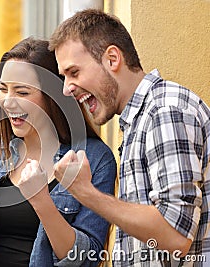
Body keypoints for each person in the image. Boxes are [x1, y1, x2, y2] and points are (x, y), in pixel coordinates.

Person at [0, 37, 117, 266]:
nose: (7, 102)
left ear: (53, 98)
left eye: (22, 92)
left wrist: (41, 202)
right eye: (3, 89)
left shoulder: (95, 159)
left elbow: (86, 258)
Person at [49, 9, 210, 266]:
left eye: (74, 72)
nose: (66, 89)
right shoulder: (141, 118)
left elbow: (175, 235)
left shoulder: (164, 111)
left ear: (112, 59)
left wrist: (86, 193)